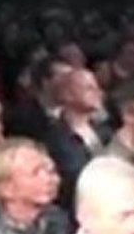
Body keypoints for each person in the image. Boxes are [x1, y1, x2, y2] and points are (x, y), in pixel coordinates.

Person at [45, 69, 110, 211]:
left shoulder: (105, 131)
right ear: (67, 95)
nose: (98, 92)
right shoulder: (56, 139)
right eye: (89, 88)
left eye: (97, 87)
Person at [6, 56, 71, 141]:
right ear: (46, 82)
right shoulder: (22, 119)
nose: (71, 84)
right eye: (64, 78)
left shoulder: (75, 115)